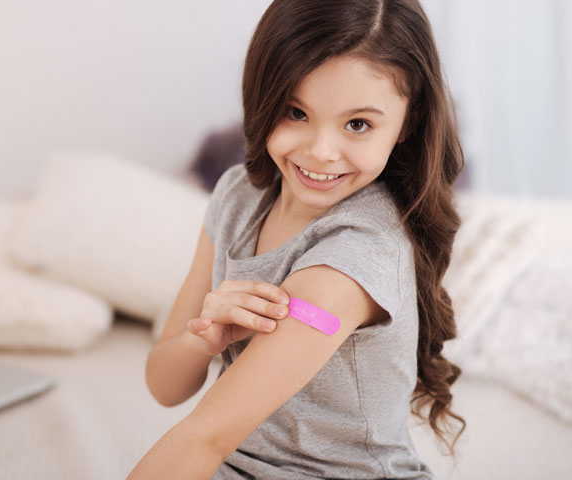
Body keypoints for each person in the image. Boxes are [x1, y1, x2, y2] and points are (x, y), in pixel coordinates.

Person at [129, 0, 465, 478]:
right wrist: (203, 337)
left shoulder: (353, 258)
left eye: (358, 124)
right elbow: (163, 386)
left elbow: (203, 435)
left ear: (408, 122)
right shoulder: (236, 198)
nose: (321, 152)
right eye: (295, 112)